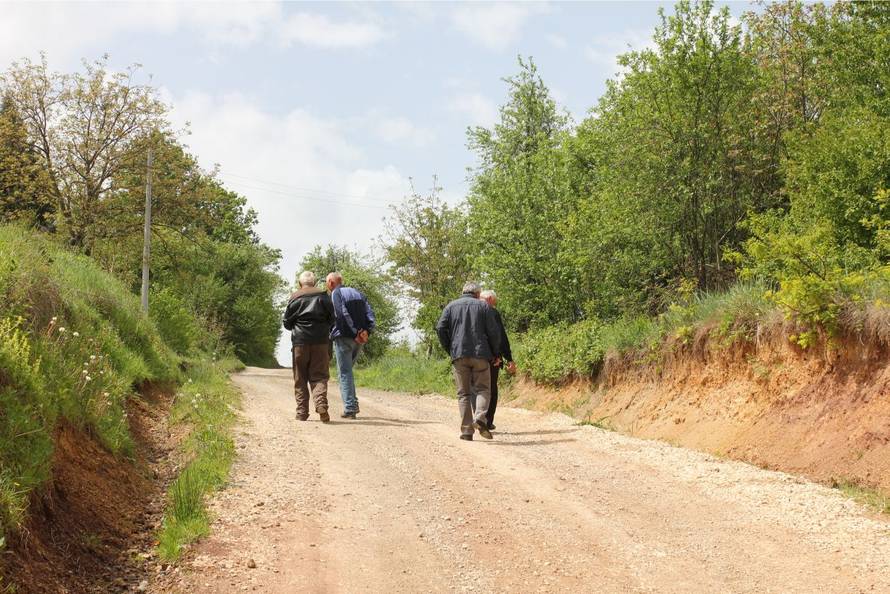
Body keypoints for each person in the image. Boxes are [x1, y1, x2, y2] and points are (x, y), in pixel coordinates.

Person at [435, 281, 501, 441]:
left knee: (463, 394)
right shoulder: (484, 307)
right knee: (484, 389)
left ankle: (466, 432)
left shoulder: (451, 306)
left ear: (463, 291)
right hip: (481, 354)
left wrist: (450, 348)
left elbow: (440, 328)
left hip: (459, 354)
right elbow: (494, 332)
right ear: (478, 294)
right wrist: (495, 353)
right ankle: (479, 417)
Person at [282, 271, 334, 423]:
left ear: (300, 284)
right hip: (321, 343)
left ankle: (302, 413)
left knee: (300, 378)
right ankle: (321, 404)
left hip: (300, 343)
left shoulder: (294, 298)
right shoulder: (324, 297)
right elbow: (333, 319)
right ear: (315, 283)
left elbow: (286, 323)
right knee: (319, 376)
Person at [325, 272, 376, 419]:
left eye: (327, 283)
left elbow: (342, 314)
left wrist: (355, 332)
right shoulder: (358, 293)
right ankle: (353, 403)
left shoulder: (336, 293)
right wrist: (366, 331)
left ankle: (350, 408)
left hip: (345, 337)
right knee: (348, 372)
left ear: (331, 282)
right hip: (359, 340)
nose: (327, 286)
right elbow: (370, 313)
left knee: (345, 373)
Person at [479, 290, 516, 431]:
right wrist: (508, 358)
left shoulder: (470, 310)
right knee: (491, 388)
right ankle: (487, 421)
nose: (495, 305)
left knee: (475, 388)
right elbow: (500, 336)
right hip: (492, 357)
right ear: (489, 299)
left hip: (472, 356)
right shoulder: (492, 312)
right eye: (495, 302)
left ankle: (478, 417)